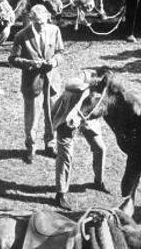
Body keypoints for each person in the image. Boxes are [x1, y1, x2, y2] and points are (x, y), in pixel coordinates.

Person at [9, 4, 65, 164]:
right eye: (37, 23)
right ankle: (30, 148)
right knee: (32, 118)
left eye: (43, 22)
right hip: (32, 84)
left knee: (52, 115)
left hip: (52, 82)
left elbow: (61, 52)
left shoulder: (54, 30)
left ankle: (50, 144)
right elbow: (12, 59)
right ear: (31, 20)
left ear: (48, 18)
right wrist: (30, 63)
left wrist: (53, 62)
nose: (41, 26)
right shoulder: (21, 35)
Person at [50, 71, 108, 210]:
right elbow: (69, 85)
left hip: (86, 119)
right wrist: (90, 84)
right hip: (67, 118)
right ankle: (60, 194)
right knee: (65, 156)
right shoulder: (84, 76)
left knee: (100, 148)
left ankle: (98, 182)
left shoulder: (105, 92)